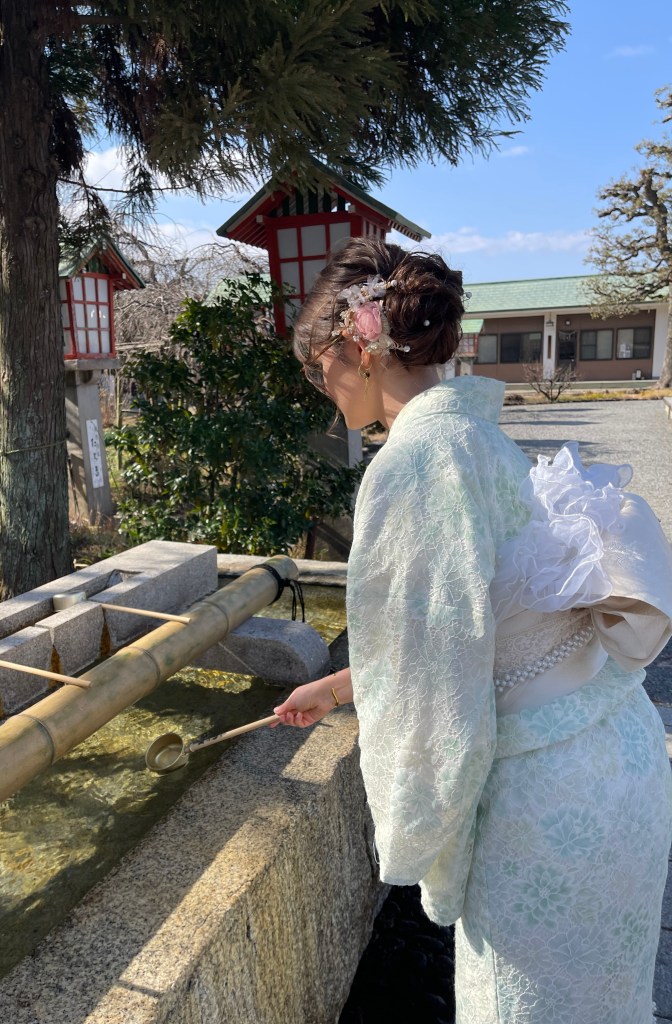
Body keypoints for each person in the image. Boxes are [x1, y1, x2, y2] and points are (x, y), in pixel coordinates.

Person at [273, 237, 672, 1024]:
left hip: (548, 803)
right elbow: (470, 630)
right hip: (616, 755)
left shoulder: (414, 464)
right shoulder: (479, 438)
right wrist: (344, 687)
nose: (323, 389)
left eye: (320, 369)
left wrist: (421, 846)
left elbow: (439, 687)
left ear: (359, 346)